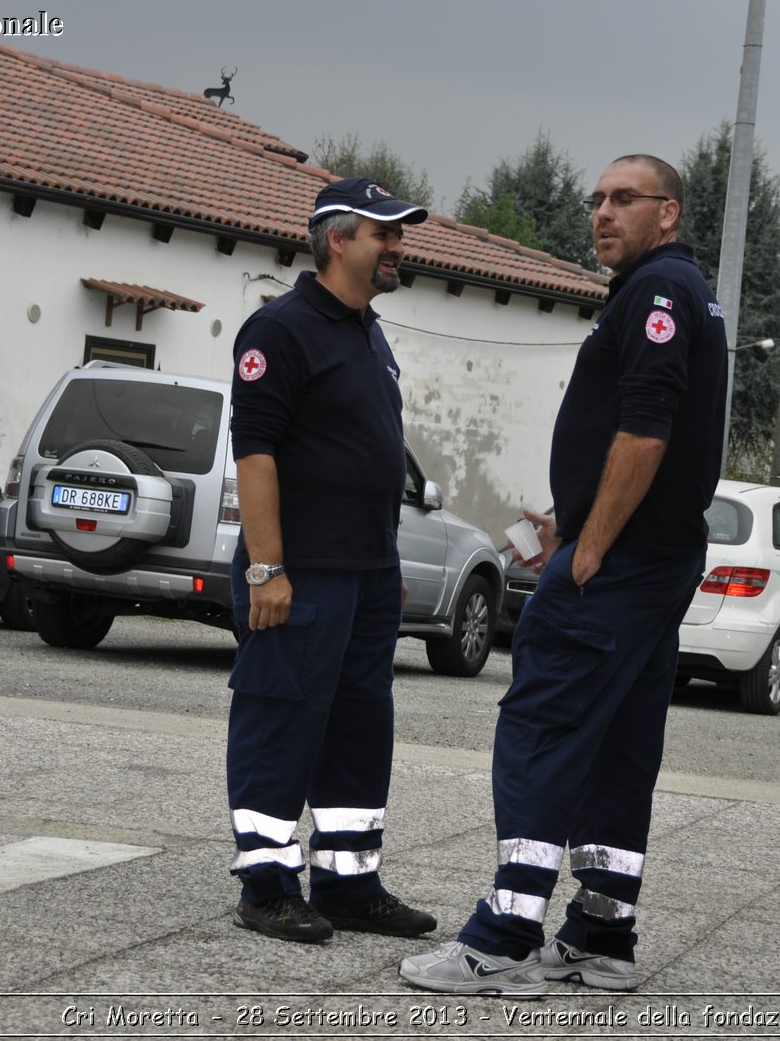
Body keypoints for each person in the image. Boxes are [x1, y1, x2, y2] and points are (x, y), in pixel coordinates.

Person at [399, 155, 727, 995]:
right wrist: (569, 518)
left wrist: (587, 549)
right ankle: (600, 932)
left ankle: (504, 935)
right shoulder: (669, 291)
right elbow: (643, 436)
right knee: (620, 741)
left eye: (625, 198)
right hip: (650, 561)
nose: (603, 213)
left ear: (668, 213)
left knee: (540, 728)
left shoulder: (658, 293)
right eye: (597, 200)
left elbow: (647, 433)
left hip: (619, 567)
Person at [225, 178, 437, 944]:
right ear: (337, 240)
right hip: (300, 571)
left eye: (400, 234)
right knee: (281, 719)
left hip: (367, 572)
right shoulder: (278, 331)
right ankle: (268, 884)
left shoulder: (368, 333)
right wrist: (265, 568)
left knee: (357, 727)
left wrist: (387, 560)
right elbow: (255, 454)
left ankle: (349, 882)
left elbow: (369, 457)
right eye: (386, 234)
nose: (399, 247)